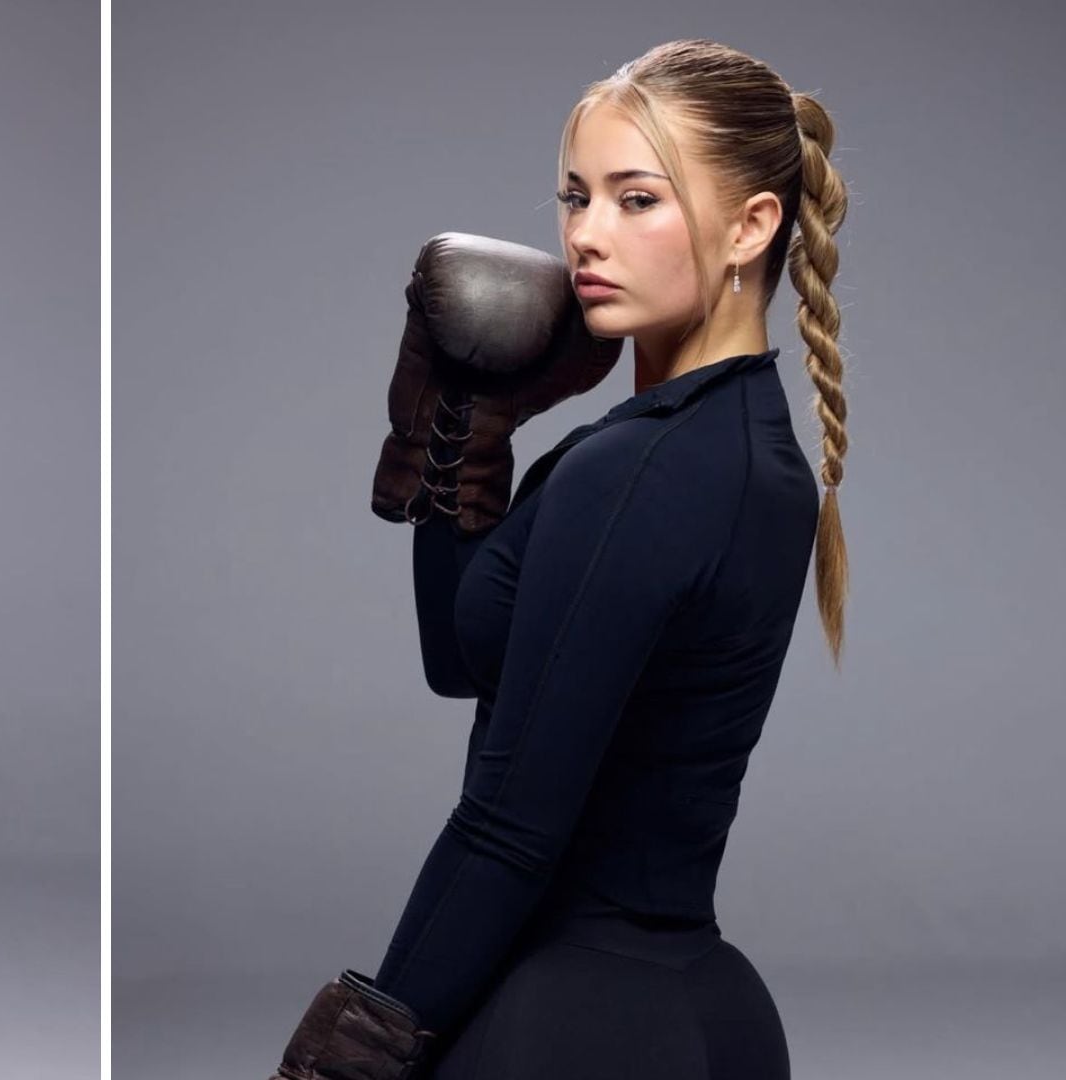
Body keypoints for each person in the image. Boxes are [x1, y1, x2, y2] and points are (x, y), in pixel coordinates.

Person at [270, 38, 850, 1079]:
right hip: (706, 1017)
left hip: (574, 1030)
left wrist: (351, 1060)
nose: (586, 235)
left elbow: (506, 829)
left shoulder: (637, 471)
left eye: (637, 200)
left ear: (752, 225)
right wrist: (466, 428)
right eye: (575, 197)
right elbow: (465, 658)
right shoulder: (752, 451)